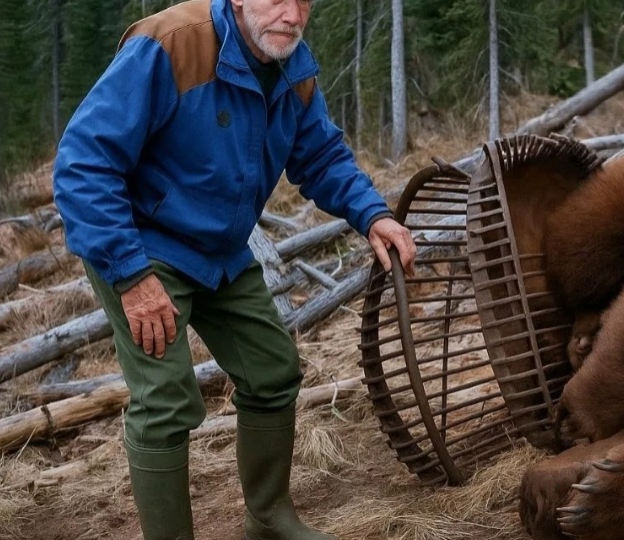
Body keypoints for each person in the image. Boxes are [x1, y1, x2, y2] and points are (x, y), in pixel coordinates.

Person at [52, 0, 416, 538]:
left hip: (218, 248)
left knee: (273, 371)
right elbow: (83, 163)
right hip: (137, 243)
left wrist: (372, 214)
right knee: (165, 398)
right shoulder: (170, 45)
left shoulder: (292, 66)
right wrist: (130, 274)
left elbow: (320, 156)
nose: (291, 14)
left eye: (302, 1)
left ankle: (268, 520)